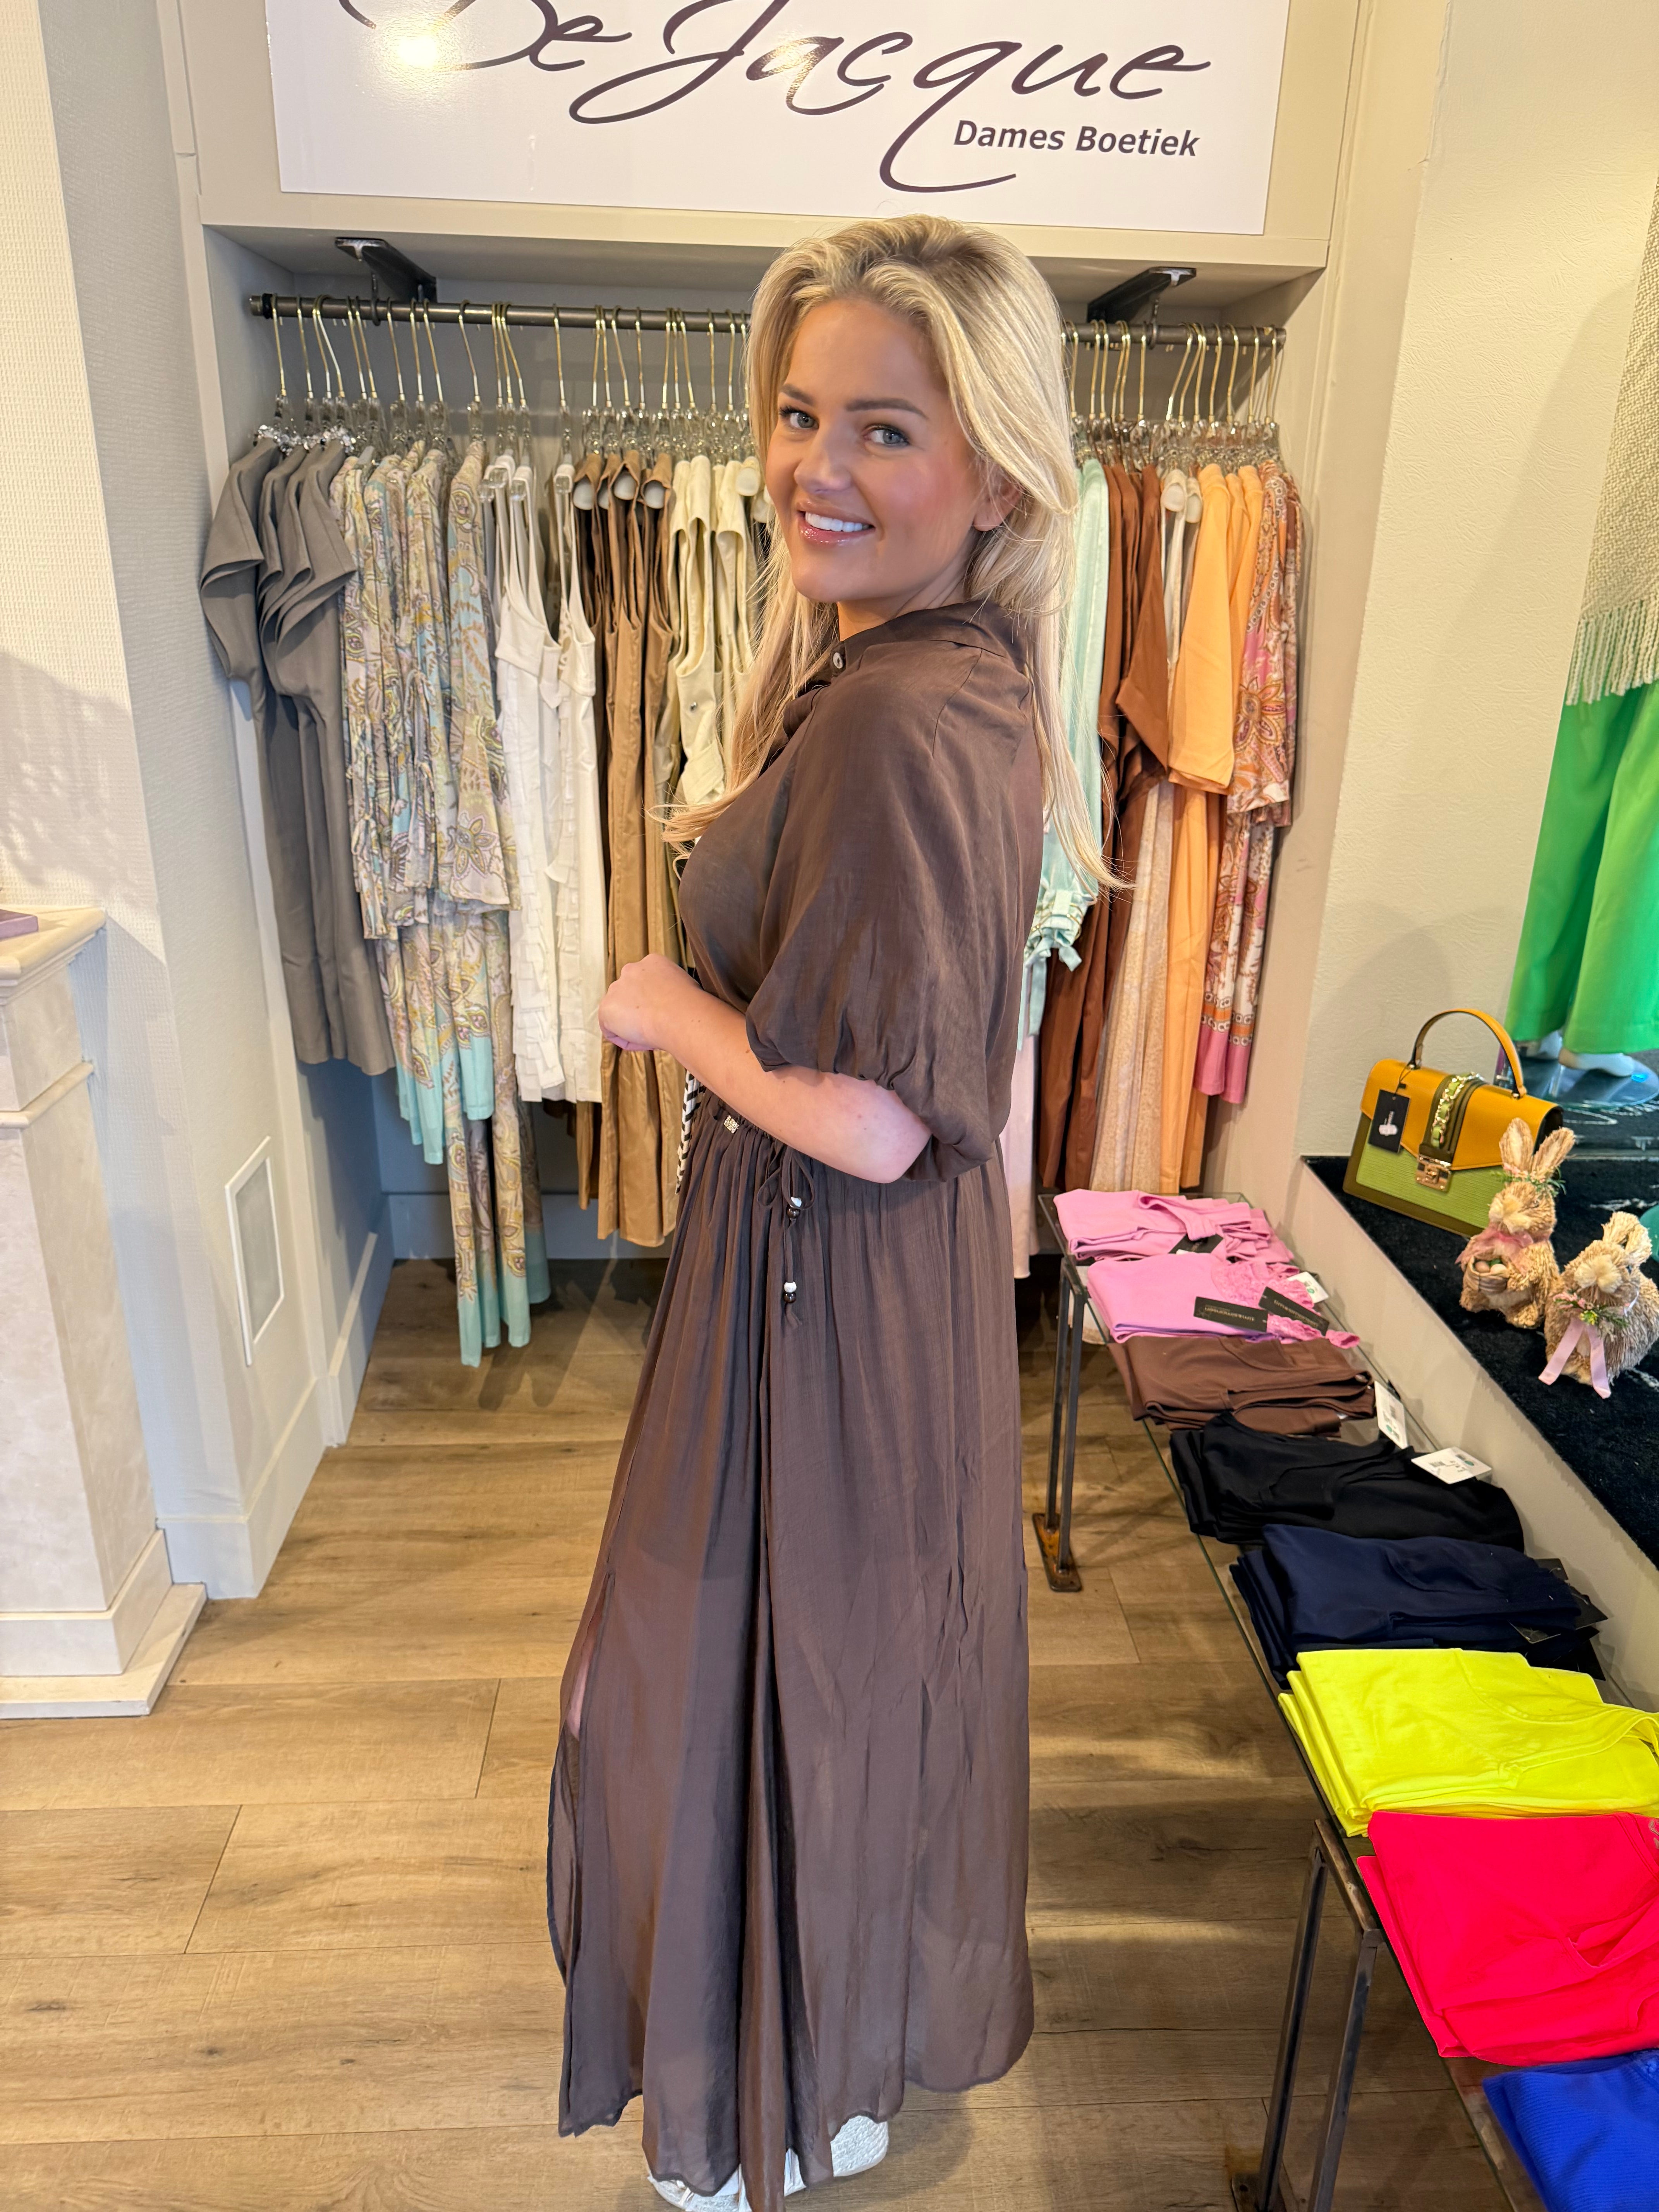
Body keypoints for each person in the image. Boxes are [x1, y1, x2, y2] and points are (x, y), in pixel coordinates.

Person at [546, 215, 1106, 2212]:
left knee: (740, 1666)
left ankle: (762, 2090)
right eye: (799, 416)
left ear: (996, 474)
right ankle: (829, 2060)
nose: (816, 467)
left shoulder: (887, 714)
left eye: (885, 427)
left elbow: (871, 1122)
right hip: (876, 1285)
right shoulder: (957, 680)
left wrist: (670, 1010)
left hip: (824, 1270)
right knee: (843, 1670)